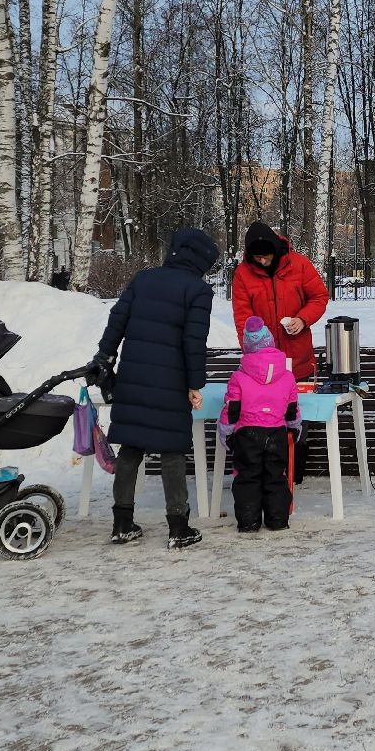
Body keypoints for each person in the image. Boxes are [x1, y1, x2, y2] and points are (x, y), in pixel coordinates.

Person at [92, 227, 219, 549]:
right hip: (171, 381)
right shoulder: (197, 291)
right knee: (172, 451)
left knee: (130, 448)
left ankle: (122, 523)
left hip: (133, 375)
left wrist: (104, 356)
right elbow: (194, 342)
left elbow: (116, 320)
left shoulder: (143, 279)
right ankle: (179, 528)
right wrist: (194, 384)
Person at [220, 316, 301, 533]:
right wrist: (294, 427)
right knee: (276, 476)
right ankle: (277, 520)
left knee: (247, 477)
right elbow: (292, 408)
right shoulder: (288, 377)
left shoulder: (238, 376)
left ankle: (249, 522)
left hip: (247, 434)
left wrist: (226, 432)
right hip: (276, 433)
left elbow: (231, 409)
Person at [231, 222, 330, 380]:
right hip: (262, 363)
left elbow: (319, 297)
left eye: (266, 256)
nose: (262, 261)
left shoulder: (299, 264)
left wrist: (302, 319)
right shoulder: (243, 274)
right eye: (257, 257)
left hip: (299, 360)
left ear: (275, 250)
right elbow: (242, 318)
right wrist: (251, 351)